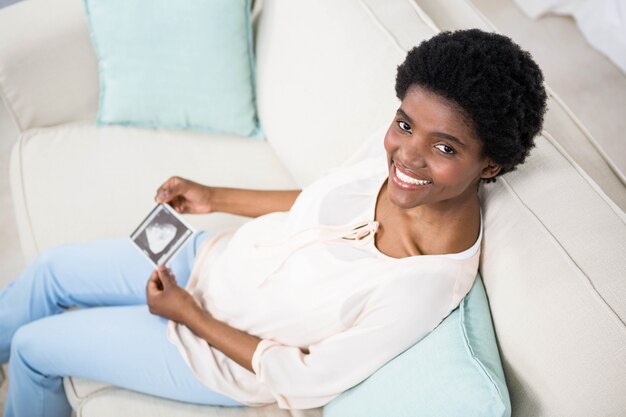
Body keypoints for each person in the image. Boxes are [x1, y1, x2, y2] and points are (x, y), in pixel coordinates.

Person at [0, 29, 547, 416]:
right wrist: (211, 195)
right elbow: (314, 199)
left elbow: (306, 379)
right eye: (404, 123)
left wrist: (188, 315)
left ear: (490, 163)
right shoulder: (397, 157)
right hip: (207, 255)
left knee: (34, 348)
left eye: (444, 146)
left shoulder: (424, 286)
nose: (407, 154)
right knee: (49, 272)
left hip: (208, 350)